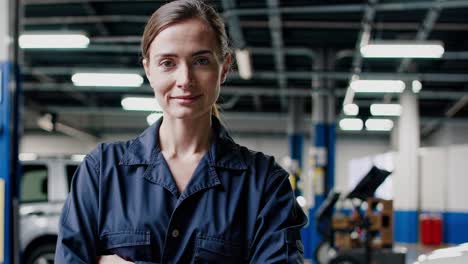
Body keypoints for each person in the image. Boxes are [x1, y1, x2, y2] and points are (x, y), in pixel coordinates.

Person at [54, 0, 307, 263]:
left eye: (200, 61)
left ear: (223, 68)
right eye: (167, 63)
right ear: (148, 70)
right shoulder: (102, 172)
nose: (185, 79)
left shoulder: (264, 182)